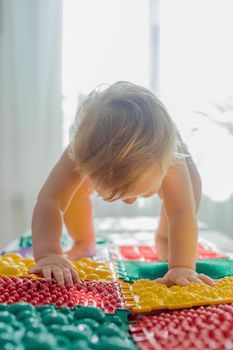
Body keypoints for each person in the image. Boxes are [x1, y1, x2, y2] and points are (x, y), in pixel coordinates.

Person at [29, 81, 214, 287]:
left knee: (187, 196)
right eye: (115, 195)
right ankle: (83, 242)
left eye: (142, 193)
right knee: (74, 192)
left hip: (173, 148)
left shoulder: (172, 159)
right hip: (99, 153)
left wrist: (182, 266)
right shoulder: (82, 151)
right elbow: (51, 200)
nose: (129, 202)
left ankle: (164, 238)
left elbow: (182, 213)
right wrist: (49, 253)